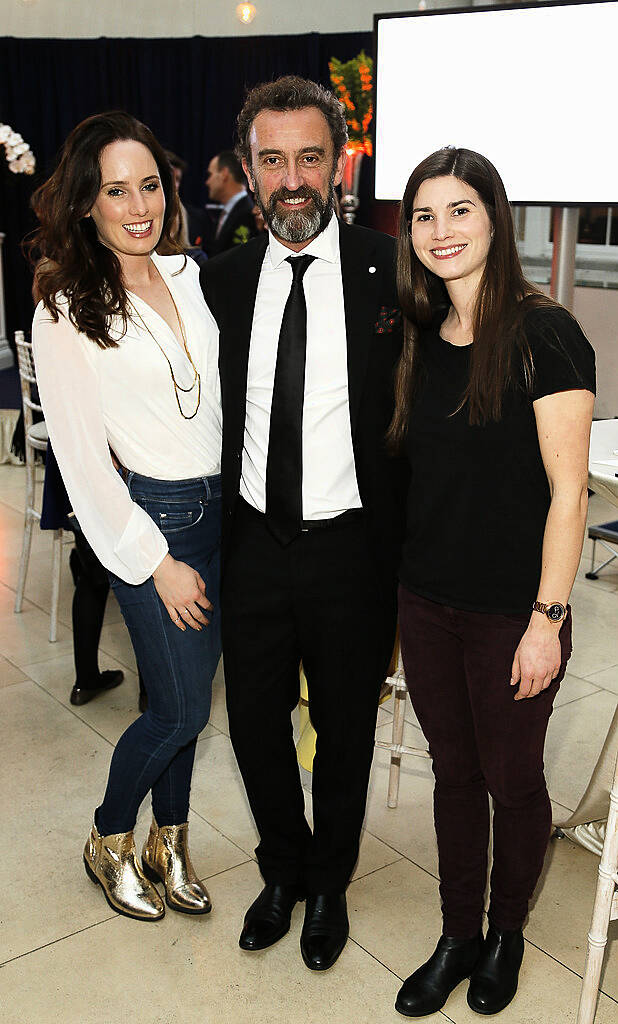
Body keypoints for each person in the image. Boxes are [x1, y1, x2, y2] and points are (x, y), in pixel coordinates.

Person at [201, 76, 407, 971]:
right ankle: (279, 868)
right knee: (252, 722)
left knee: (348, 728)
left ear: (339, 164)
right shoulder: (223, 280)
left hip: (352, 547)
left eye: (309, 158)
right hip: (251, 543)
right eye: (273, 159)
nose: (292, 179)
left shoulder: (391, 270)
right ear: (249, 166)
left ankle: (329, 882)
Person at [390, 148, 595, 1018]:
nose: (442, 231)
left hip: (515, 612)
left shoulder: (546, 333)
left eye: (461, 211)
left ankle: (505, 933)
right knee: (452, 775)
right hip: (428, 604)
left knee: (512, 780)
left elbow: (568, 492)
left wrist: (547, 618)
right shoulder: (418, 334)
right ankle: (456, 935)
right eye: (426, 215)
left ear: (495, 219)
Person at [30, 110, 222, 922]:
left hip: (223, 511)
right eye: (117, 190)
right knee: (181, 709)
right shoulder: (65, 308)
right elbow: (79, 461)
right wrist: (156, 558)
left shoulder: (191, 274)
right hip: (156, 522)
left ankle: (167, 840)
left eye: (150, 185)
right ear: (86, 203)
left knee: (188, 690)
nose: (138, 205)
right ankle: (110, 837)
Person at [204, 150, 257, 256]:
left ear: (224, 174)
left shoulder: (247, 214)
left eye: (210, 175)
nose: (207, 182)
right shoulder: (228, 212)